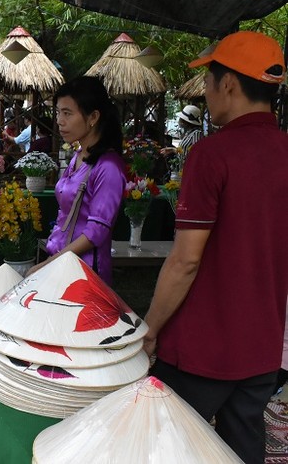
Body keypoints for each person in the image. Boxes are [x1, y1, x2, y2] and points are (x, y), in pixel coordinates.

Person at [143, 31, 288, 464]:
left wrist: (149, 329)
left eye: (208, 82)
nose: (205, 94)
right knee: (243, 446)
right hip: (263, 346)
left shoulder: (212, 154)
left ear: (229, 84)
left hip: (202, 349)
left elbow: (186, 260)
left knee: (164, 444)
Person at [28, 76, 126, 285]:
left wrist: (47, 265)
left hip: (84, 275)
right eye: (58, 113)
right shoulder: (78, 157)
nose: (59, 120)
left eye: (67, 113)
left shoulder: (108, 168)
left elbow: (95, 233)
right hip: (62, 265)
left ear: (93, 117)